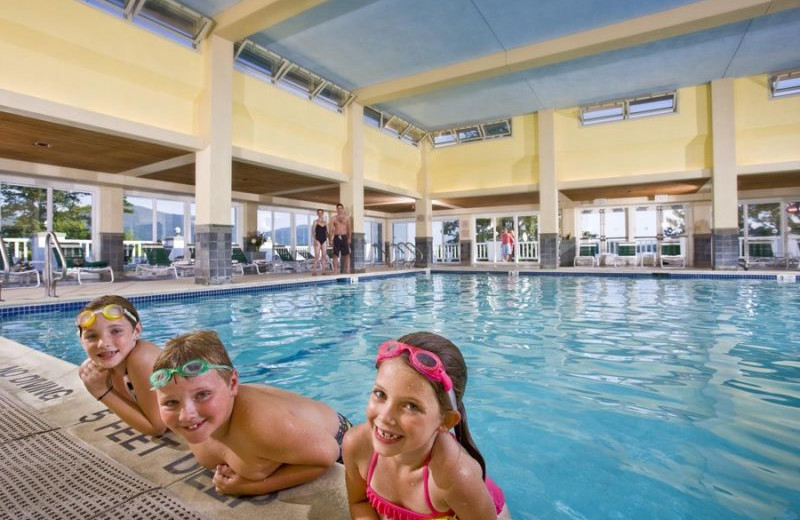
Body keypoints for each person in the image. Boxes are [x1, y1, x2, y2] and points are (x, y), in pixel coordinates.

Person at [152, 330, 352, 496]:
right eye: (171, 402)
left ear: (232, 384)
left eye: (202, 395)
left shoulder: (261, 424)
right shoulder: (199, 422)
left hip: (339, 441)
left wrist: (251, 487)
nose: (186, 415)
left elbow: (328, 454)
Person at [342, 332, 508, 520]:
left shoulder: (456, 478)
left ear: (445, 421)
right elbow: (359, 502)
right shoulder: (356, 445)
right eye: (380, 394)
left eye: (410, 406)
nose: (385, 417)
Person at [76, 295, 167, 436]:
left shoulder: (142, 358)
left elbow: (157, 428)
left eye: (115, 331)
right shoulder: (98, 368)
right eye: (91, 336)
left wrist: (102, 392)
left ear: (136, 331)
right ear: (81, 341)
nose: (103, 343)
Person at [331, 203, 351, 274]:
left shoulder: (347, 218)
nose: (339, 210)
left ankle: (347, 270)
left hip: (344, 236)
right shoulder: (334, 218)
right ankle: (335, 270)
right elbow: (332, 229)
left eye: (340, 208)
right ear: (336, 209)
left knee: (347, 254)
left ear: (342, 209)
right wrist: (331, 238)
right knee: (335, 254)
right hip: (336, 237)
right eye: (338, 208)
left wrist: (349, 238)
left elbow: (349, 229)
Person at [313, 208, 329, 275]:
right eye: (318, 213)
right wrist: (314, 240)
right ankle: (314, 271)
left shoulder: (325, 223)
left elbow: (327, 233)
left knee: (324, 255)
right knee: (317, 255)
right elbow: (313, 232)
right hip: (317, 239)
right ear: (317, 214)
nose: (320, 214)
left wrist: (329, 240)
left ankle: (323, 271)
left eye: (321, 213)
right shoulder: (315, 222)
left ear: (323, 213)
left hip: (324, 239)